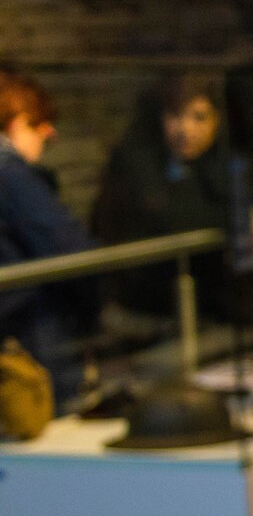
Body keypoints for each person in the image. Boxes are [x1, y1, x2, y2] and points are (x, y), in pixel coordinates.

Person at [90, 72, 238, 321]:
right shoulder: (137, 159)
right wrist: (239, 217)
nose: (186, 129)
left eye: (199, 117)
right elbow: (172, 218)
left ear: (217, 121)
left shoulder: (215, 161)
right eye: (176, 115)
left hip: (205, 302)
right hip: (144, 303)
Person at [0, 69, 94, 398]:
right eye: (38, 125)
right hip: (29, 335)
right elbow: (68, 246)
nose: (50, 134)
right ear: (15, 122)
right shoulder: (10, 174)